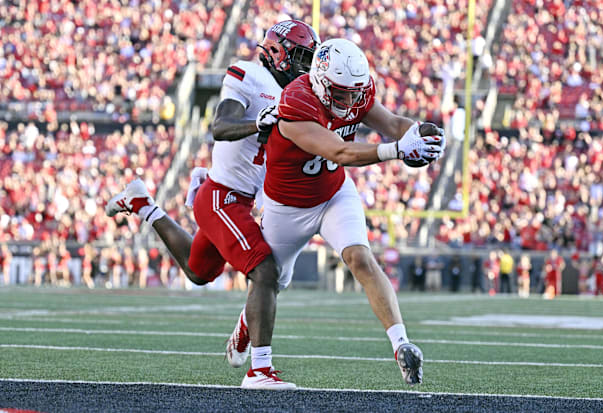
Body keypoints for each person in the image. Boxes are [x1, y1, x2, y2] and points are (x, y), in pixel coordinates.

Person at [105, 20, 320, 390]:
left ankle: (143, 204)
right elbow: (221, 125)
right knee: (264, 272)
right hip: (222, 197)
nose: (304, 65)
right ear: (277, 51)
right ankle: (260, 371)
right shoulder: (250, 74)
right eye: (299, 56)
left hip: (240, 198)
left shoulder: (297, 94)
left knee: (199, 272)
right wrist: (260, 122)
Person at [259, 38, 446, 386]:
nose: (349, 101)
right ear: (319, 81)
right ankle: (246, 336)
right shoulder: (296, 103)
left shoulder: (355, 92)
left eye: (354, 93)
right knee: (268, 282)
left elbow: (392, 124)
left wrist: (421, 134)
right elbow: (341, 152)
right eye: (341, 93)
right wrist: (396, 151)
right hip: (287, 206)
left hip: (332, 193)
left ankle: (402, 345)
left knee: (361, 258)